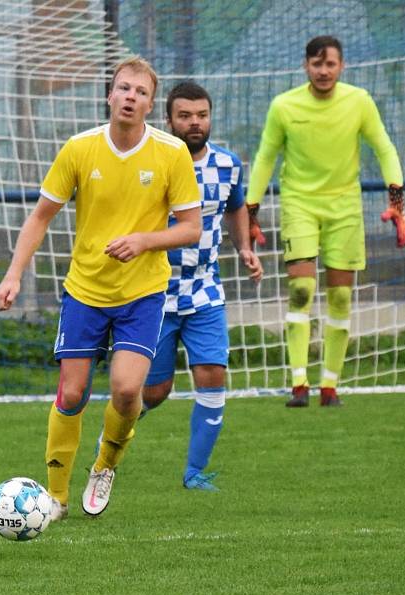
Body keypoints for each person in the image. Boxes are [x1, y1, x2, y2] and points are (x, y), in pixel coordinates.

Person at [0, 56, 202, 520]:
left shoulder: (171, 154)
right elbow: (40, 216)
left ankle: (105, 465)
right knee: (72, 393)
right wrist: (14, 274)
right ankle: (56, 499)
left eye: (140, 92)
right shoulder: (79, 148)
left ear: (151, 104)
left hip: (142, 293)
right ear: (109, 95)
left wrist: (145, 240)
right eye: (123, 88)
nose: (130, 97)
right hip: (85, 291)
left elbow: (191, 228)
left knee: (128, 393)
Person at [103, 81, 263, 492]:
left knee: (212, 374)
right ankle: (109, 446)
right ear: (169, 119)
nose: (195, 123)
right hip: (152, 290)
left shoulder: (228, 164)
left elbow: (235, 206)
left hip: (205, 289)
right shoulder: (151, 161)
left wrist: (245, 248)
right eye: (185, 116)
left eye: (202, 115)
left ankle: (194, 473)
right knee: (152, 392)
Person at [246, 35, 405, 408]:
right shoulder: (283, 106)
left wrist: (396, 199)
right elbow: (266, 157)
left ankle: (330, 386)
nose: (323, 71)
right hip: (299, 204)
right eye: (316, 64)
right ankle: (299, 384)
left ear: (341, 66)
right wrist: (251, 214)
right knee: (301, 291)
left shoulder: (359, 101)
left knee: (339, 296)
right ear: (306, 66)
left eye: (330, 64)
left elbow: (384, 147)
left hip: (345, 209)